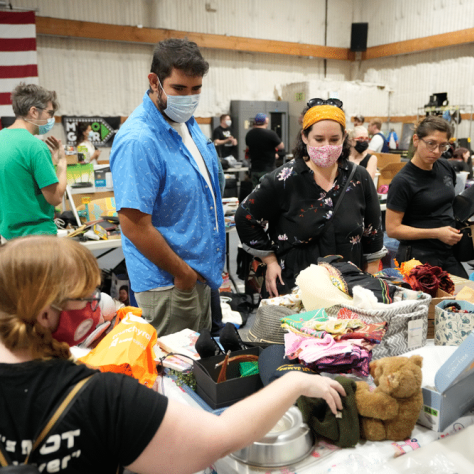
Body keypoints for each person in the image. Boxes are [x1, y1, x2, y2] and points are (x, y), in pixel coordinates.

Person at [0, 235, 346, 474]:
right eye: (84, 296)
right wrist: (292, 385)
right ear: (46, 314)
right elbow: (216, 439)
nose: (98, 303)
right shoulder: (99, 395)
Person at [110, 38, 225, 337]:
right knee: (172, 377)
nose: (189, 97)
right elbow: (134, 225)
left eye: (196, 89)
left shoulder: (186, 123)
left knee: (202, 370)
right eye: (179, 89)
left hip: (198, 276)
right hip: (168, 285)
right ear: (155, 82)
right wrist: (182, 273)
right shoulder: (139, 140)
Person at [235, 99, 385, 298]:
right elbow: (245, 217)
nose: (327, 146)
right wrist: (269, 260)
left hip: (347, 287)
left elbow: (372, 231)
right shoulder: (284, 179)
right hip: (295, 287)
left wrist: (371, 276)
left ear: (344, 138)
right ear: (305, 137)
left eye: (334, 139)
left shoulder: (359, 178)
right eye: (319, 139)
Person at [386, 116, 467, 278]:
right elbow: (393, 229)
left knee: (465, 294)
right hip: (418, 257)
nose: (436, 151)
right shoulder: (403, 181)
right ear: (416, 140)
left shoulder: (444, 166)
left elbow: (449, 203)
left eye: (443, 145)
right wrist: (436, 233)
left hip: (447, 251)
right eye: (431, 144)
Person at [0, 83, 67, 241]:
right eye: (49, 113)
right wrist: (62, 163)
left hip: (7, 237)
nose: (50, 119)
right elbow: (55, 198)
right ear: (33, 111)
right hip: (38, 239)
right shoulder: (36, 147)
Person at [245, 113, 285, 188]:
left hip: (255, 169)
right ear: (266, 122)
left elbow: (248, 148)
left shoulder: (249, 134)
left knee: (256, 192)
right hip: (268, 169)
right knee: (268, 192)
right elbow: (281, 146)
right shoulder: (270, 134)